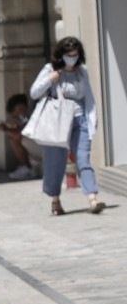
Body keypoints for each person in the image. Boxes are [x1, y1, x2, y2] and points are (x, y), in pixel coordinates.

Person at [29, 36, 105, 215]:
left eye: (75, 54)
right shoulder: (51, 69)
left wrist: (92, 120)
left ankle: (92, 198)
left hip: (80, 121)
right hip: (58, 122)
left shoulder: (81, 71)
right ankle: (55, 199)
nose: (72, 58)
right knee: (54, 163)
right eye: (69, 55)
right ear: (61, 55)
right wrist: (50, 79)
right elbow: (34, 92)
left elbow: (89, 98)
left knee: (83, 159)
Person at [0, 94, 35, 180]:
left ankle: (26, 167)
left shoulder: (31, 115)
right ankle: (24, 166)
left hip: (43, 145)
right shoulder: (22, 117)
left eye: (19, 110)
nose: (18, 113)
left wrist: (6, 129)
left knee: (14, 137)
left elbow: (19, 136)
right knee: (13, 136)